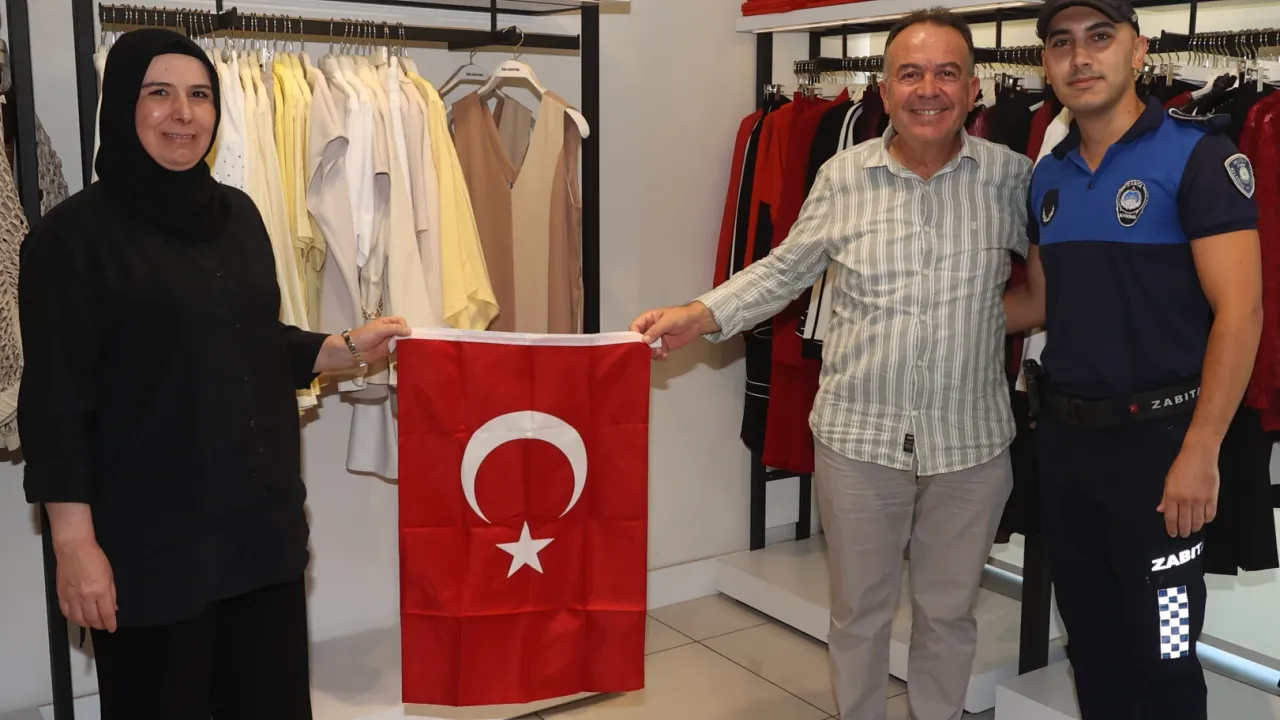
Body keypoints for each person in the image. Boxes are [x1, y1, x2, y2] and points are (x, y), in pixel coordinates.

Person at [631, 9, 1032, 720]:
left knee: (948, 615)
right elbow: (785, 270)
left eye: (947, 73)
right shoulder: (844, 175)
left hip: (970, 445)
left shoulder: (1013, 178)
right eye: (910, 73)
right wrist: (698, 313)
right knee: (859, 616)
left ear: (974, 90)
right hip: (859, 439)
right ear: (884, 90)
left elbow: (1057, 285)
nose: (929, 89)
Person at [16, 29, 409, 718]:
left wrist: (343, 347)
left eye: (200, 95)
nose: (184, 113)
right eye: (159, 93)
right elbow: (55, 407)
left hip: (260, 532)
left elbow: (246, 339)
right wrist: (74, 546)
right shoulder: (70, 239)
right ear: (122, 105)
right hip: (152, 548)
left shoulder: (239, 216)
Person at [1010, 1, 1264, 717]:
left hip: (1162, 450)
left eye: (1100, 37)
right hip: (1068, 450)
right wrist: (917, 309)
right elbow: (1039, 304)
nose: (1080, 56)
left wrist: (1201, 450)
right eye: (1061, 43)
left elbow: (1241, 313)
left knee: (1167, 652)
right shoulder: (1048, 174)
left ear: (1138, 50)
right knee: (1091, 643)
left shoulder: (1199, 156)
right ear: (1046, 64)